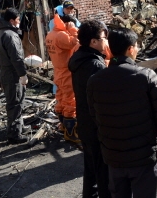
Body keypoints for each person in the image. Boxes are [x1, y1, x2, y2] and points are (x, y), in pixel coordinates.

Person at [87, 28, 157, 198]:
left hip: (113, 156)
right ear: (131, 49)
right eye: (137, 47)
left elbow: (94, 116)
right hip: (143, 156)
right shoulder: (146, 76)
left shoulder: (94, 80)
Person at [68, 20, 111, 198]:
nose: (106, 41)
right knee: (103, 173)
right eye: (103, 37)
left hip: (85, 122)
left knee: (91, 170)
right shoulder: (94, 65)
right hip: (96, 125)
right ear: (93, 41)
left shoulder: (79, 59)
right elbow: (102, 98)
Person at [0, 8, 29, 145]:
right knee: (15, 103)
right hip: (12, 74)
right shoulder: (10, 35)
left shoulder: (0, 33)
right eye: (18, 19)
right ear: (11, 20)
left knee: (15, 101)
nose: (19, 22)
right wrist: (22, 74)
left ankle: (19, 128)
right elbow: (17, 58)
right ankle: (14, 134)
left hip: (5, 72)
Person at [45, 12, 80, 143]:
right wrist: (72, 29)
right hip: (66, 72)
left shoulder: (51, 34)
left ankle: (63, 126)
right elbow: (76, 42)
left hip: (58, 71)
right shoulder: (61, 35)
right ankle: (71, 133)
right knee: (70, 101)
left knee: (60, 99)